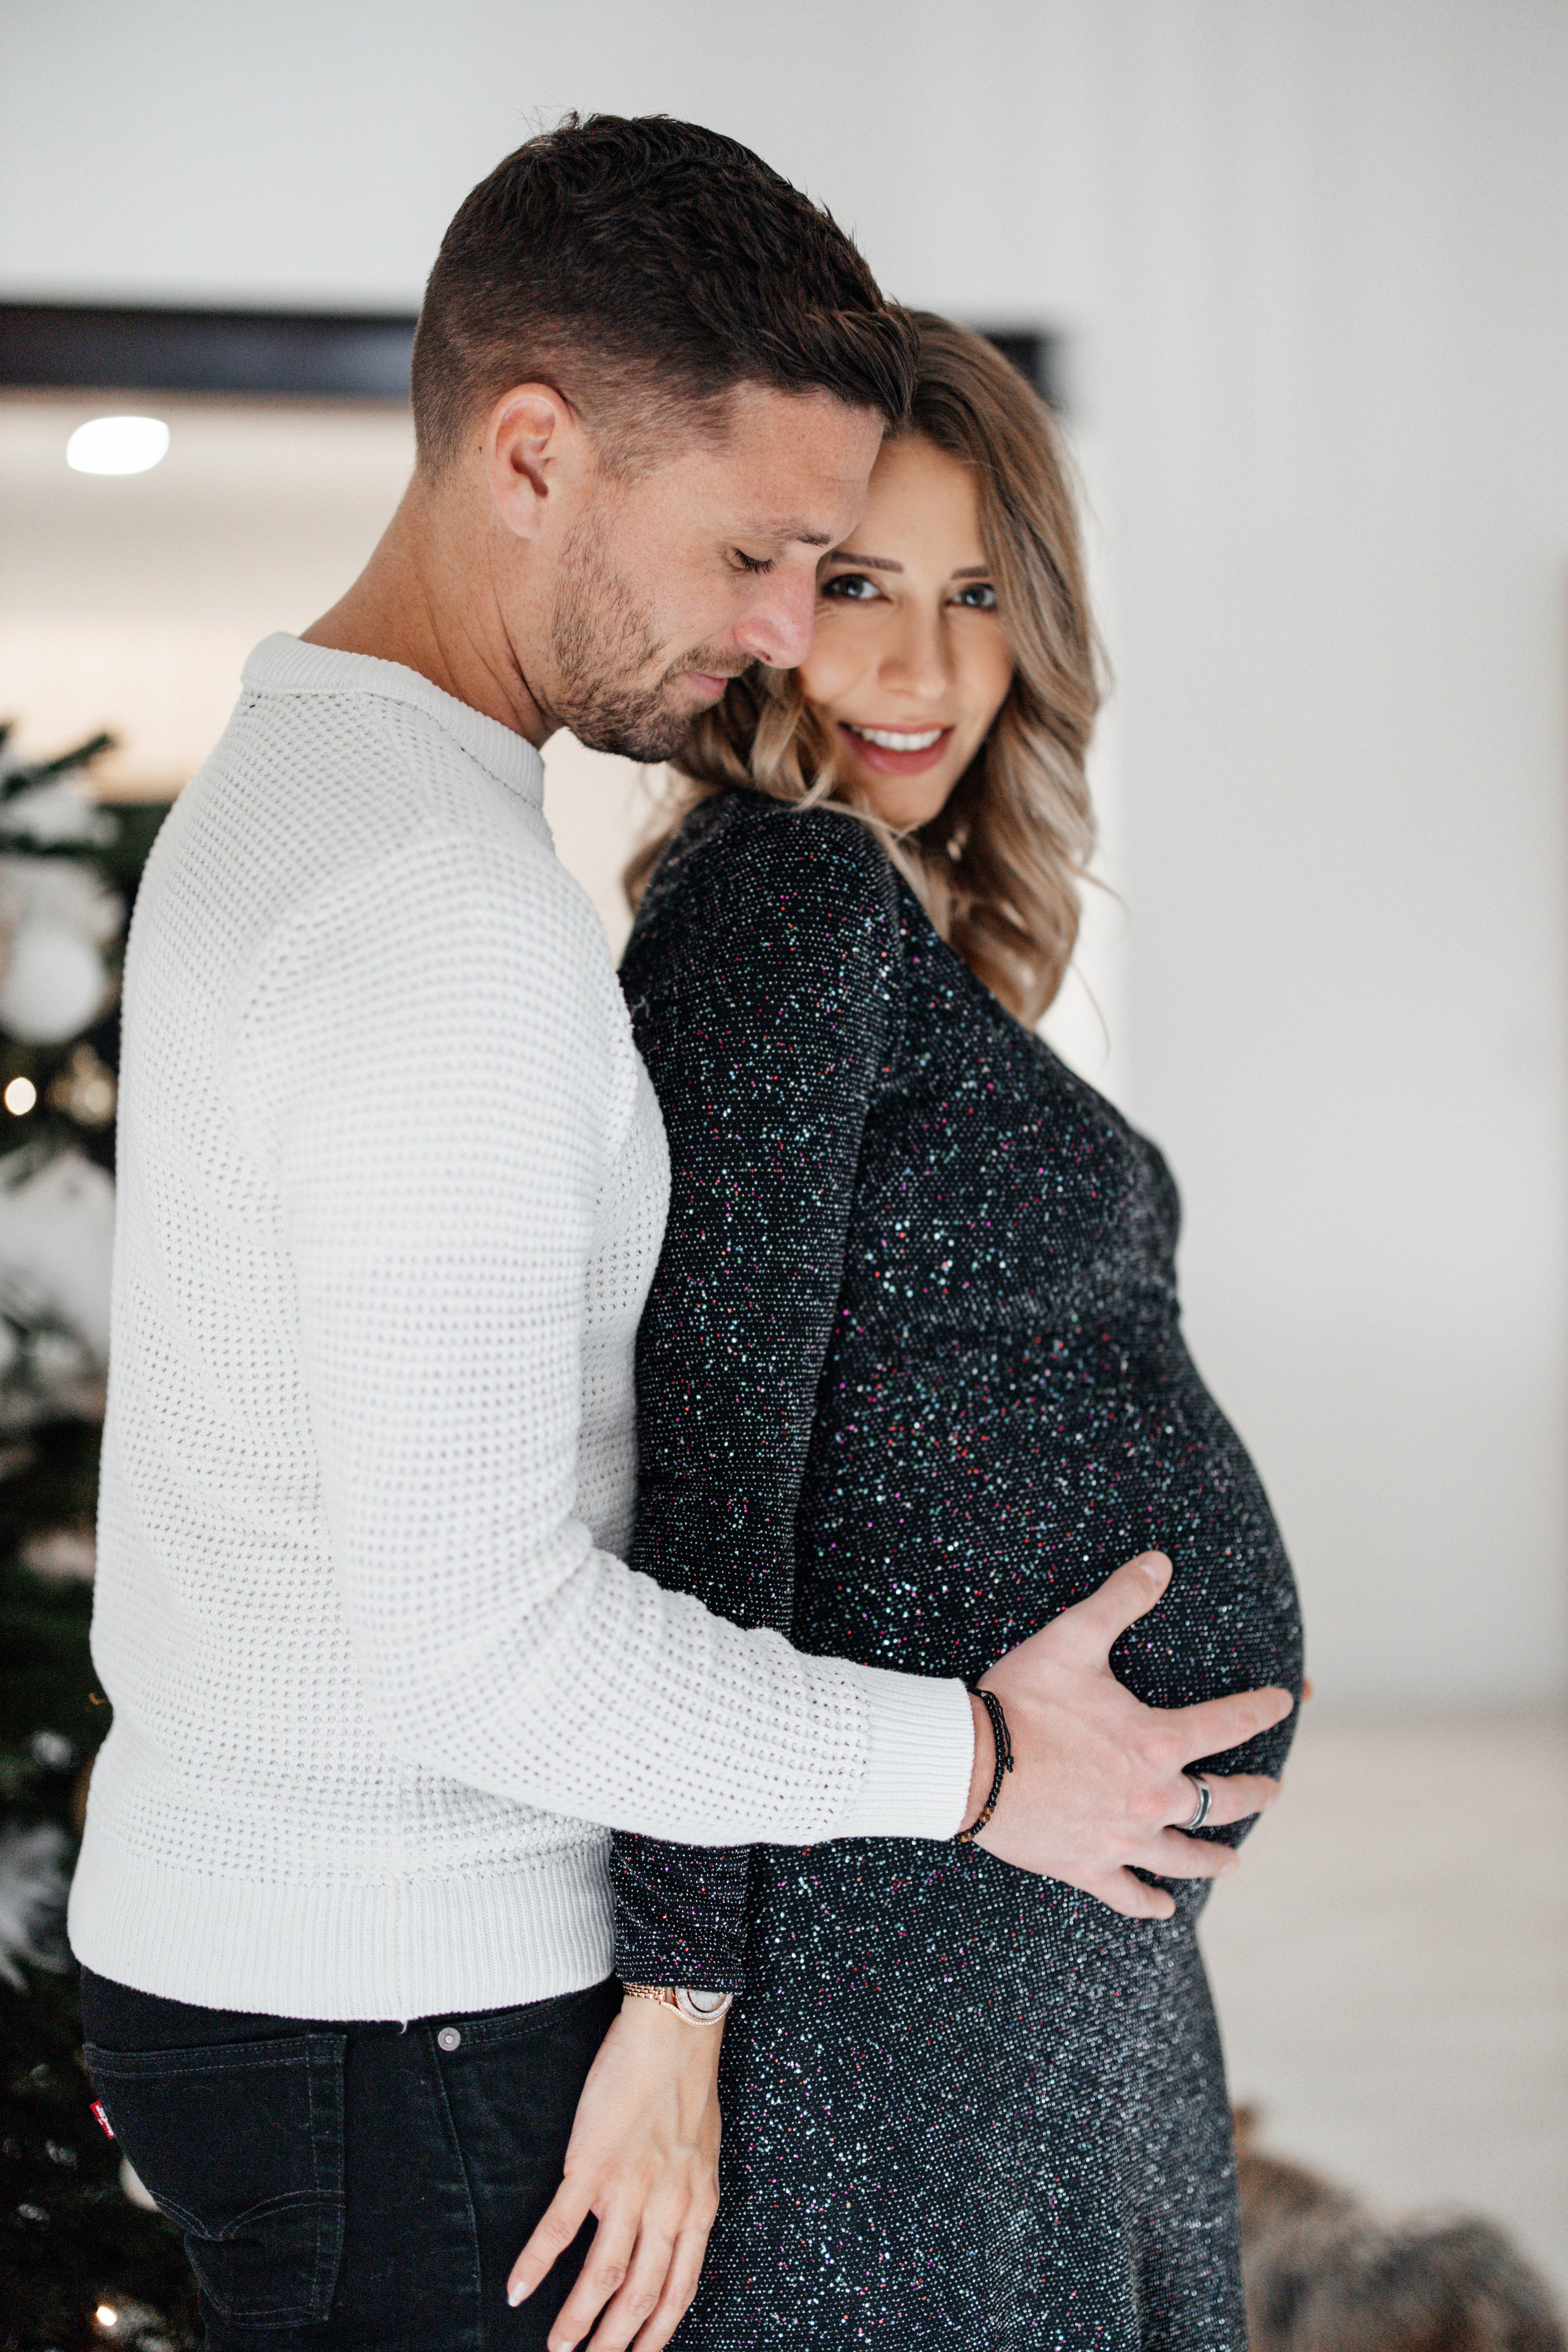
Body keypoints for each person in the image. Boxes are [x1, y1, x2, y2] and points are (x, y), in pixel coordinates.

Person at [69, 121, 1291, 2352]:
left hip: (359, 1986)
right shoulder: (445, 915)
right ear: (533, 453)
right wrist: (981, 1772)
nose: (777, 641)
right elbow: (499, 1627)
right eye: (771, 557)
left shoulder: (351, 806)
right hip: (410, 2008)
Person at [538, 315, 1305, 2350]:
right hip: (899, 1976)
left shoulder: (882, 926)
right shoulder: (782, 902)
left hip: (1022, 1940)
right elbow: (708, 1456)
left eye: (981, 597)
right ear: (753, 594)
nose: (923, 668)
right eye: (858, 585)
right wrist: (677, 2000)